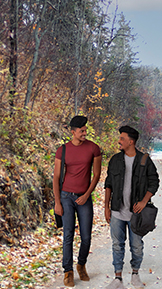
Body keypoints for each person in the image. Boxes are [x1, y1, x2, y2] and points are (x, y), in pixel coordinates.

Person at [104, 126, 160, 289]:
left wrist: (144, 201)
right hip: (117, 211)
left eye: (122, 138)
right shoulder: (115, 160)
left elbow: (154, 182)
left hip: (136, 214)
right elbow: (108, 184)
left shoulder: (144, 160)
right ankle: (118, 278)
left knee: (136, 245)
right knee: (117, 244)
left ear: (131, 141)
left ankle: (135, 274)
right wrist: (106, 207)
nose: (119, 141)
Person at [53, 116, 102, 287]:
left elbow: (96, 175)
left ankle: (81, 264)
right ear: (73, 132)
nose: (85, 133)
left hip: (84, 197)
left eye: (85, 130)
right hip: (66, 197)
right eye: (81, 131)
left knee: (86, 236)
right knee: (68, 235)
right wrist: (57, 202)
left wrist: (87, 194)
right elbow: (56, 177)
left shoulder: (93, 148)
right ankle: (68, 271)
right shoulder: (62, 150)